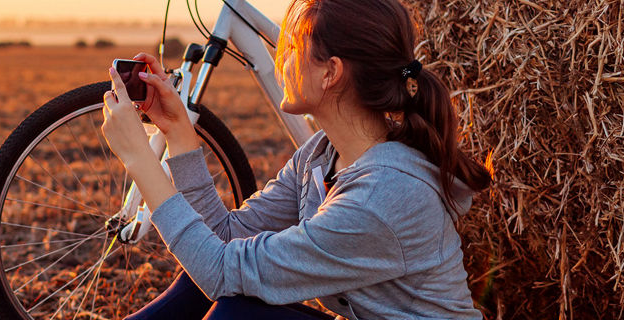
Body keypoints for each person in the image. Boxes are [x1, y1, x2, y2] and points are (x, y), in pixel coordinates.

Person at [98, 0, 493, 318]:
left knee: (236, 313)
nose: (280, 59)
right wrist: (176, 130)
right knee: (210, 286)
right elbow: (224, 240)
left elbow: (219, 270)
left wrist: (140, 160)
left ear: (330, 73)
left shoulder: (381, 197)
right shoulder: (320, 156)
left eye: (292, 49)